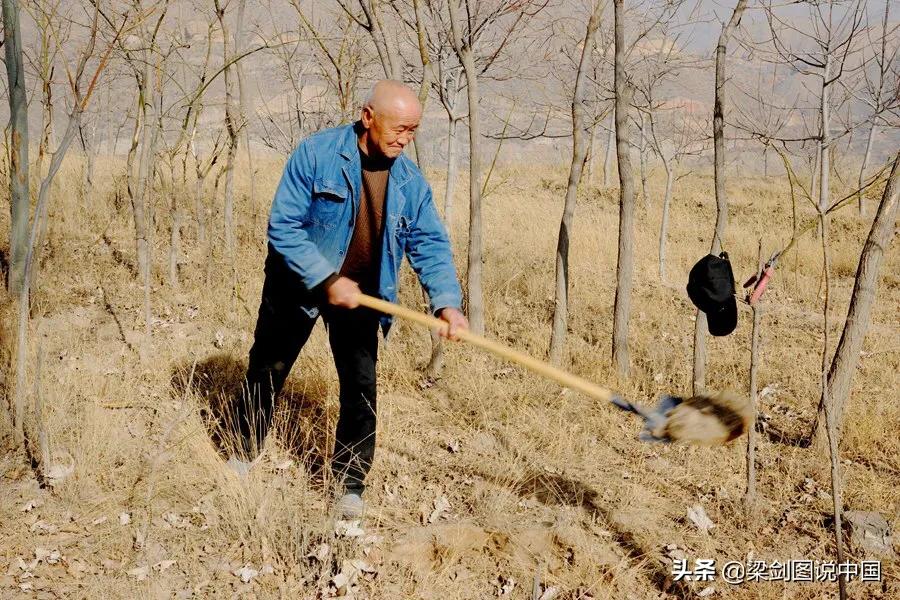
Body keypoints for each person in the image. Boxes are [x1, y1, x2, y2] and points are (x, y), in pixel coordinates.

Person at [230, 80, 469, 519]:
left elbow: (430, 243)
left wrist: (446, 303)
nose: (404, 139)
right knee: (268, 367)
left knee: (360, 387)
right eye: (398, 128)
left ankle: (350, 483)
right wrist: (326, 278)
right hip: (298, 284)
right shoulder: (316, 153)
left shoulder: (410, 182)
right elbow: (283, 226)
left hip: (363, 295)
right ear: (368, 117)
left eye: (413, 130)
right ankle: (242, 452)